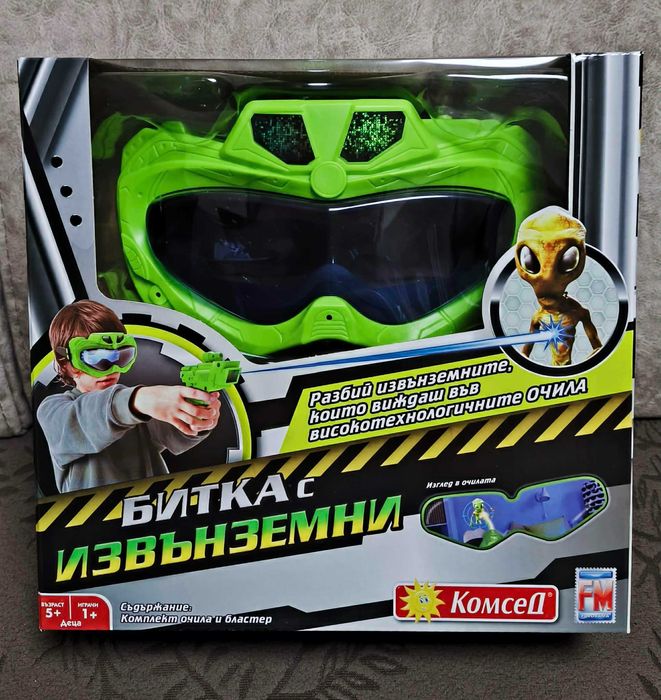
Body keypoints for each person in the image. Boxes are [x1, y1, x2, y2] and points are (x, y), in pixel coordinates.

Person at [37, 300, 220, 493]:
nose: (111, 368)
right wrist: (140, 401)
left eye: (120, 356)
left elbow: (174, 434)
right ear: (66, 364)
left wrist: (196, 415)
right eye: (96, 358)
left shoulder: (134, 405)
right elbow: (86, 419)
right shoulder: (53, 410)